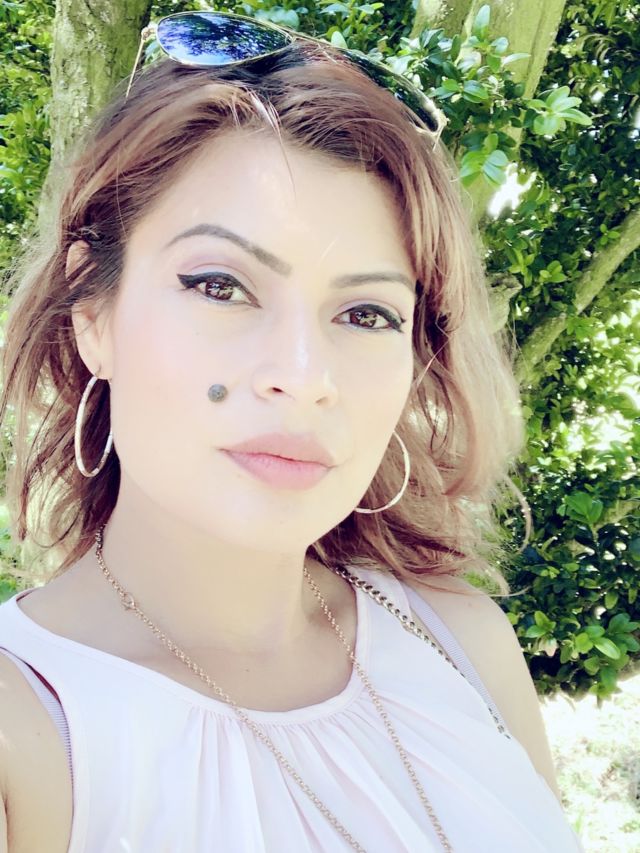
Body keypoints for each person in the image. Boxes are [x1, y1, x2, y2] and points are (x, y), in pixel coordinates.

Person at [0, 11, 585, 852]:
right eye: (220, 285)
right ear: (93, 309)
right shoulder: (27, 733)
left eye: (366, 313)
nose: (305, 375)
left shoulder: (461, 641)